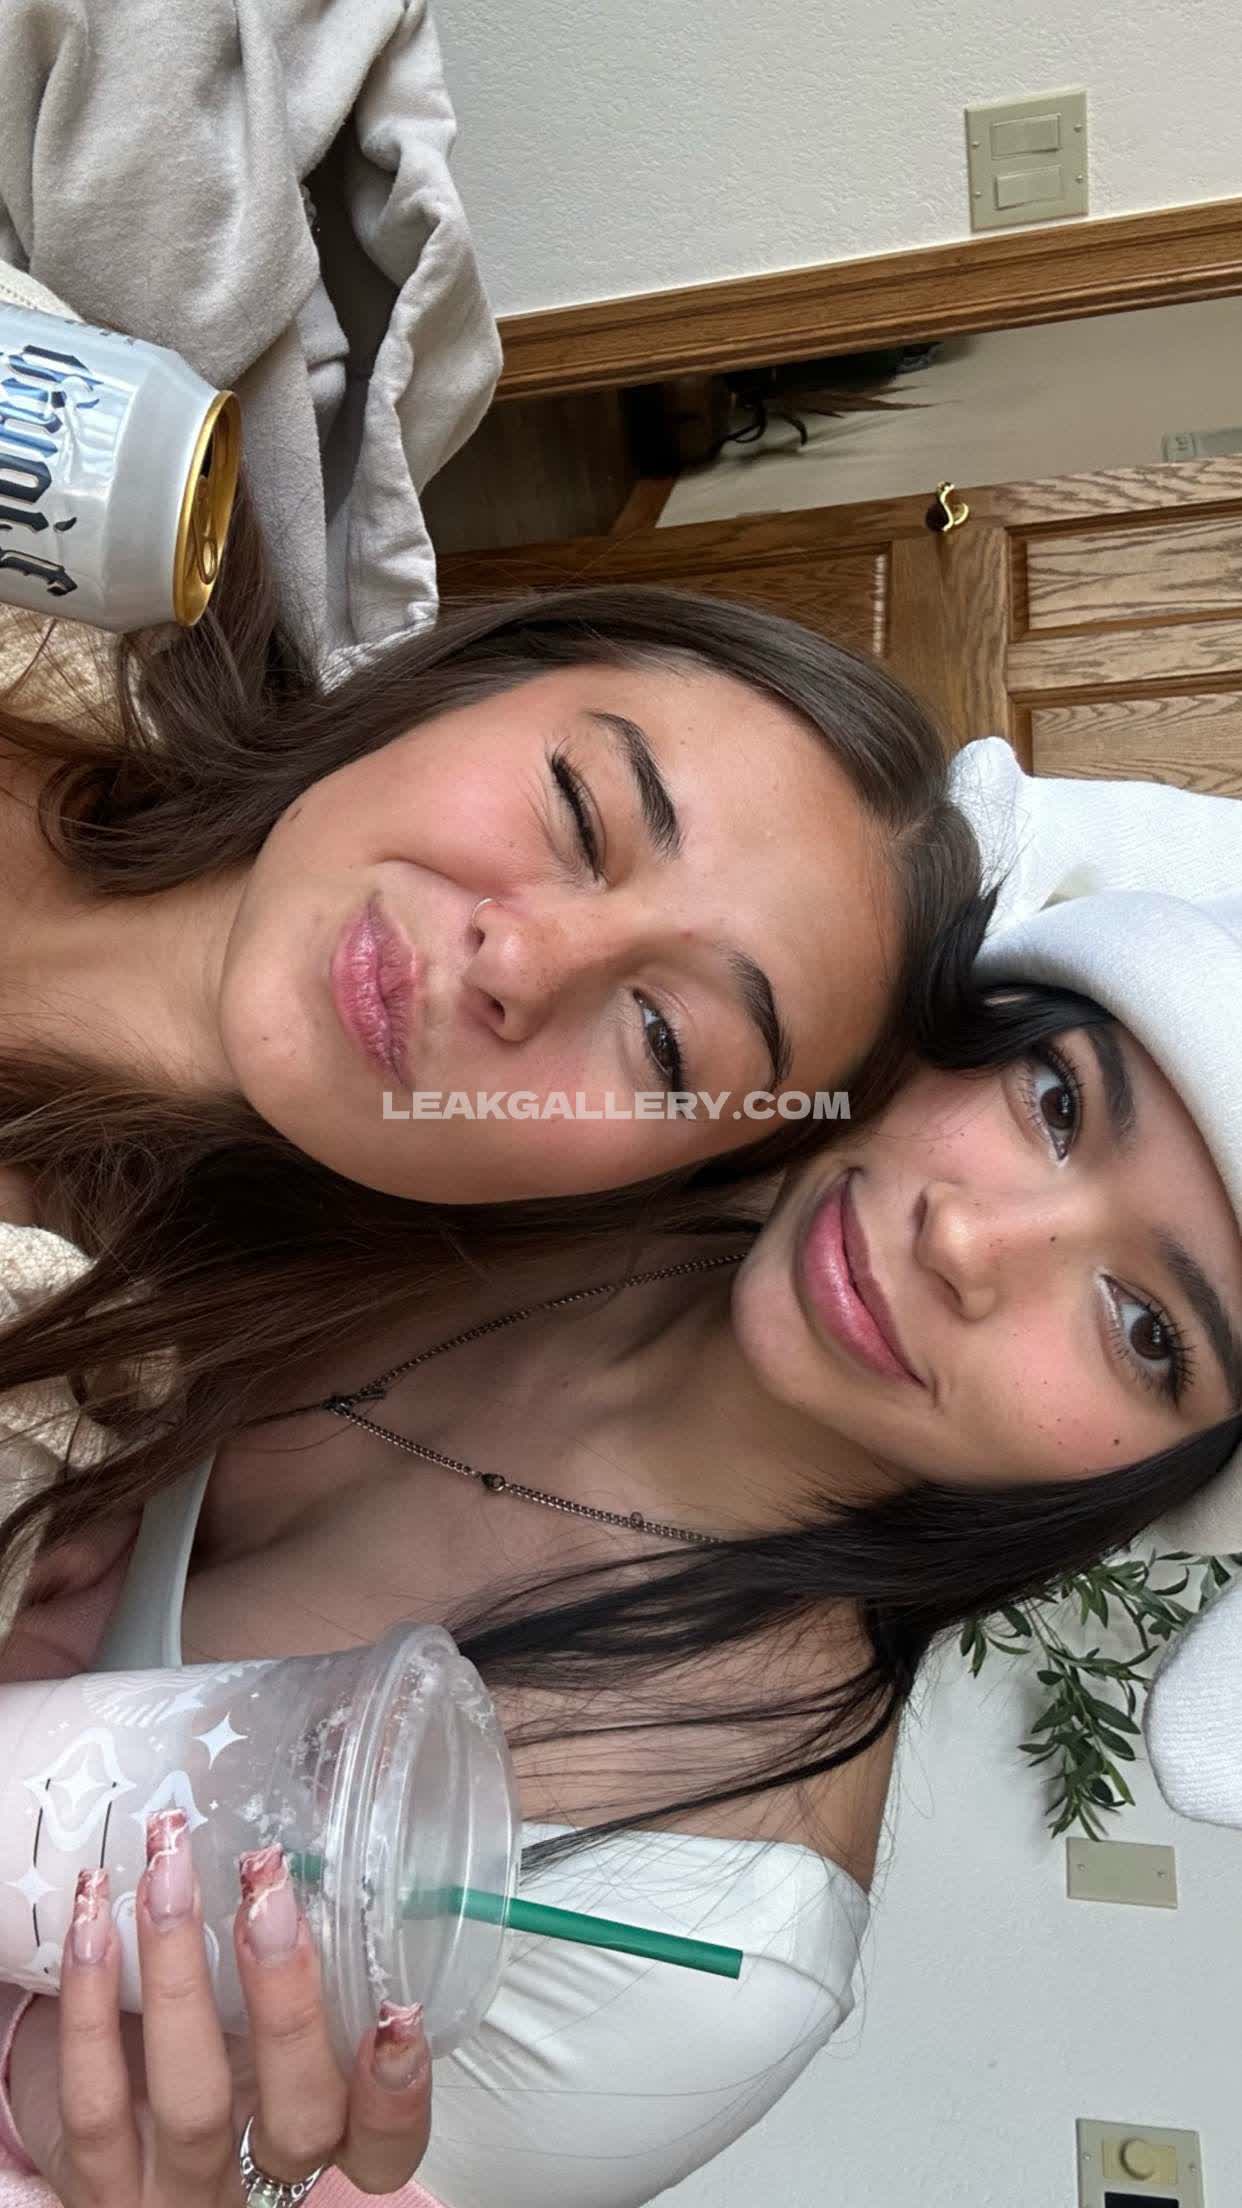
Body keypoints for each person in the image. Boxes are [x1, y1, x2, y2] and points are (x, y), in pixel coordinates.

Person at [2, 865, 1240, 2208]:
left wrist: (145, 2165)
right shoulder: (592, 1125)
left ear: (1159, 1479)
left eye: (1144, 1329)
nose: (970, 1238)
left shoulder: (692, 1951)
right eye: (1054, 1102)